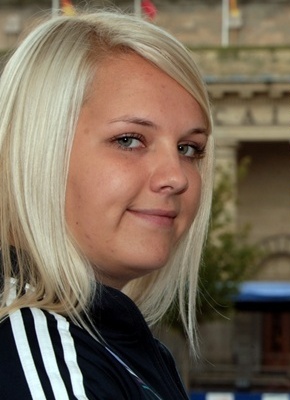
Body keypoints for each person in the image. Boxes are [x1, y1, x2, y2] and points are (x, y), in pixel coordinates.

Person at [0, 10, 214, 399]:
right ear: (37, 150)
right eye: (129, 140)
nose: (177, 177)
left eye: (189, 149)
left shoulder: (117, 347)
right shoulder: (38, 351)